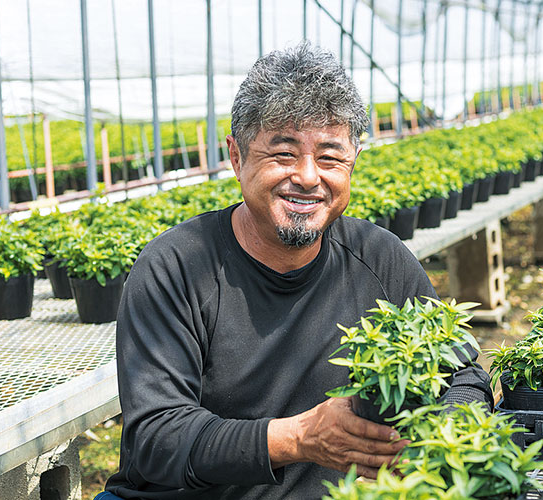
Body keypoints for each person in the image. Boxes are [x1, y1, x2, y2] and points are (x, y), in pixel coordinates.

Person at [103, 42, 493, 500]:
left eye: (329, 157)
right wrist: (299, 438)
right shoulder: (176, 267)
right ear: (236, 157)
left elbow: (463, 374)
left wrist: (441, 433)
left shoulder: (381, 259)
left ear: (353, 163)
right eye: (284, 154)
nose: (309, 177)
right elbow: (157, 437)